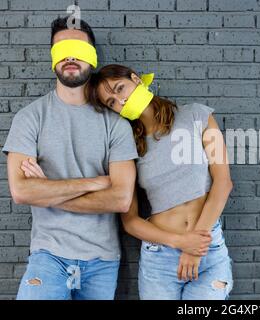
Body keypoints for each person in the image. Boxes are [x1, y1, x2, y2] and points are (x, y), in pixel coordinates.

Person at [2, 17, 139, 300]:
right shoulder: (30, 118)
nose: (71, 56)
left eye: (79, 48)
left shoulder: (116, 125)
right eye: (62, 49)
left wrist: (48, 190)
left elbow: (121, 199)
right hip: (49, 256)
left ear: (93, 56)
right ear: (52, 58)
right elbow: (21, 191)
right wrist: (97, 182)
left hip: (102, 261)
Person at [88, 64, 234, 299]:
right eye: (111, 102)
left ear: (136, 79)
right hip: (160, 257)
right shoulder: (128, 145)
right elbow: (130, 221)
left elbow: (223, 183)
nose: (120, 101)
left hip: (207, 249)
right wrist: (181, 241)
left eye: (120, 89)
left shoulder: (196, 115)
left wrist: (195, 245)